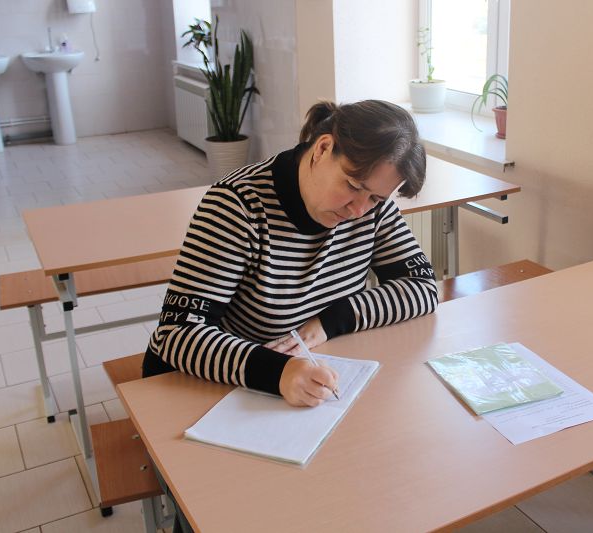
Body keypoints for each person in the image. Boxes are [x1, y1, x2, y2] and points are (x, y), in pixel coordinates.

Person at [142, 99, 438, 409]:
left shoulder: (372, 209)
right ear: (323, 148)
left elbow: (422, 287)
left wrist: (329, 323)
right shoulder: (237, 206)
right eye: (352, 185)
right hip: (209, 385)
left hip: (305, 378)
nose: (358, 210)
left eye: (376, 198)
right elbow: (178, 334)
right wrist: (278, 372)